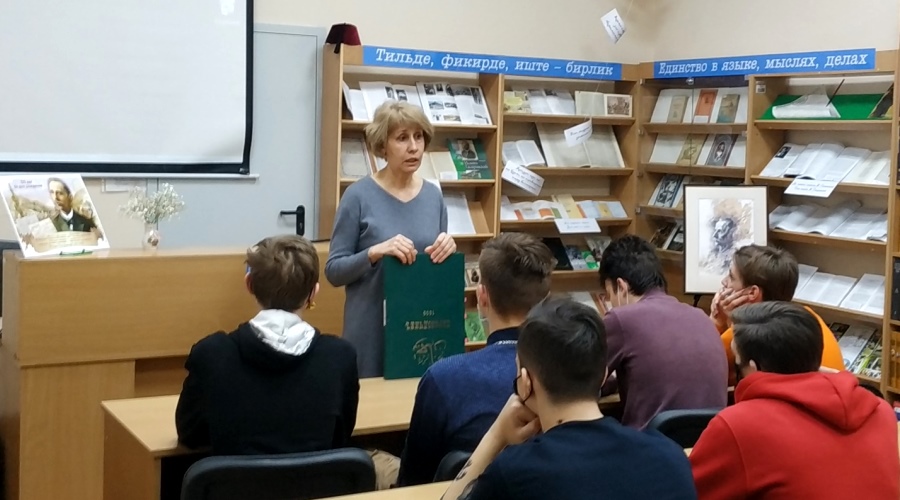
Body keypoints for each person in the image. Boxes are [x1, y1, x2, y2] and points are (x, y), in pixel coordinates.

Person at [442, 297, 698, 500]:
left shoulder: (513, 474)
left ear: (526, 383)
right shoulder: (672, 457)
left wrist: (496, 435)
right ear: (603, 375)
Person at [690, 302, 900, 499]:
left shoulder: (738, 425)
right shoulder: (880, 410)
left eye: (737, 363)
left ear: (754, 368)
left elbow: (687, 492)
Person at [175, 235, 359, 455]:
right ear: (313, 293)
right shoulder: (340, 358)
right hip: (318, 478)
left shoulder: (211, 354)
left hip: (234, 478)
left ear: (249, 284)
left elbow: (190, 435)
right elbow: (340, 438)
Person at [397, 232, 553, 486]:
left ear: (482, 297)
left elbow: (414, 480)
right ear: (547, 300)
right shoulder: (569, 375)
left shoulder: (443, 378)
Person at [325, 100, 456, 377]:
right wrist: (374, 253)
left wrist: (447, 250)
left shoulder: (433, 196)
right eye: (402, 138)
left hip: (419, 328)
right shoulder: (357, 196)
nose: (414, 147)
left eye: (418, 137)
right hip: (370, 329)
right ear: (382, 146)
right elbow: (334, 271)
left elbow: (433, 267)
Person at [598, 235, 727, 429]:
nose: (611, 304)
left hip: (647, 443)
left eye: (609, 296)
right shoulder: (700, 316)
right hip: (706, 441)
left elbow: (581, 382)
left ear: (621, 287)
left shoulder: (621, 319)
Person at [709, 244, 844, 385]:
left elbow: (703, 367)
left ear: (752, 293)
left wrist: (716, 321)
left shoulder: (749, 330)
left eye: (731, 277)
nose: (724, 282)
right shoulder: (807, 318)